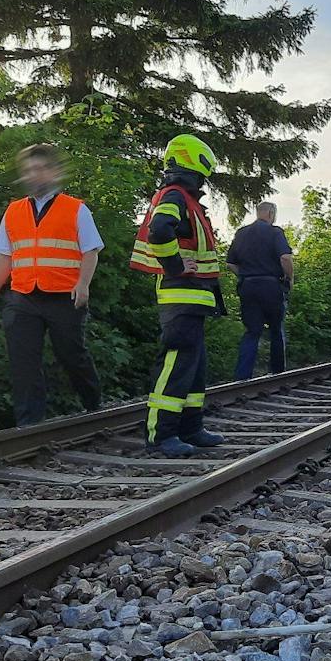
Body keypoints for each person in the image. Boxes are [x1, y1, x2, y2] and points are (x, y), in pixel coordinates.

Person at [0, 142, 103, 427]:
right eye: (29, 170)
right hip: (23, 297)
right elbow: (4, 255)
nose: (34, 175)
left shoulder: (76, 209)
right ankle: (29, 426)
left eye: (40, 169)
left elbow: (91, 251)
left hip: (64, 296)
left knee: (71, 355)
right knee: (23, 362)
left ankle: (94, 405)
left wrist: (83, 285)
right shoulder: (13, 211)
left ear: (54, 172)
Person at [130, 134, 226, 454]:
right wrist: (173, 266)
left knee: (194, 366)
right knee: (176, 363)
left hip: (192, 298)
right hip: (180, 296)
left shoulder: (185, 198)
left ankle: (191, 427)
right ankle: (161, 434)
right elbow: (159, 229)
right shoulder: (175, 195)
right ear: (194, 161)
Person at [227, 201, 295, 379]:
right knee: (275, 329)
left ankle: (242, 377)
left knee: (252, 331)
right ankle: (277, 373)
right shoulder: (275, 232)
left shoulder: (241, 233)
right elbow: (285, 258)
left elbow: (230, 263)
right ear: (271, 213)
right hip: (271, 286)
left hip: (248, 286)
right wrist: (289, 278)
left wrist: (245, 275)